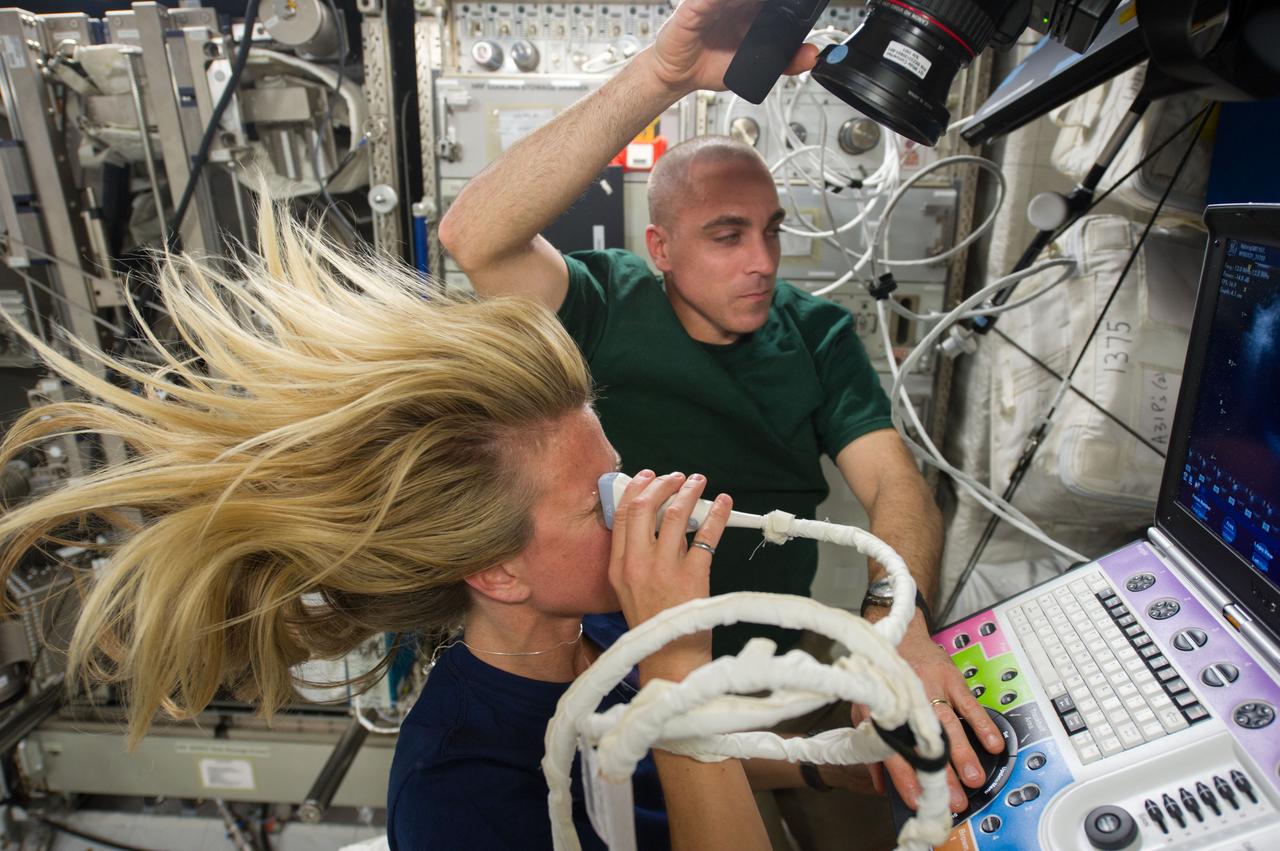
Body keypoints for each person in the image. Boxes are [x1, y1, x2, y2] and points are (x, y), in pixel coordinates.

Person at [0, 204, 880, 850]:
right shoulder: (457, 790)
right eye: (598, 496)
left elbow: (659, 766)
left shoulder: (598, 630)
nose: (641, 497)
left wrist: (827, 761)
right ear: (498, 571)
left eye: (616, 466)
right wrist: (676, 666)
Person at [436, 0, 1005, 833]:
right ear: (660, 248)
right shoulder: (604, 303)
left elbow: (895, 485)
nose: (763, 262)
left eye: (770, 232)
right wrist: (662, 76)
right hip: (632, 654)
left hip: (782, 664)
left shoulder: (817, 334)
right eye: (727, 236)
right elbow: (474, 236)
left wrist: (897, 623)